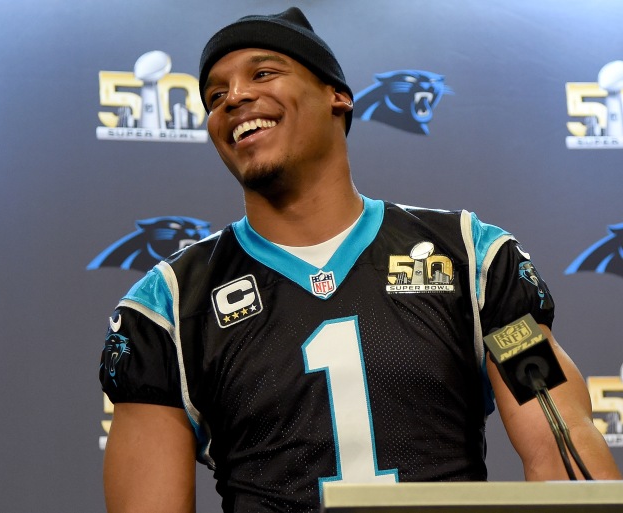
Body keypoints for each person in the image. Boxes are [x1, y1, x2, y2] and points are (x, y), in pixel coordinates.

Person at [99, 7, 621, 512]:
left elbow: (563, 444)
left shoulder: (472, 258)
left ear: (338, 97)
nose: (234, 97)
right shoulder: (166, 307)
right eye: (215, 95)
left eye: (263, 72)